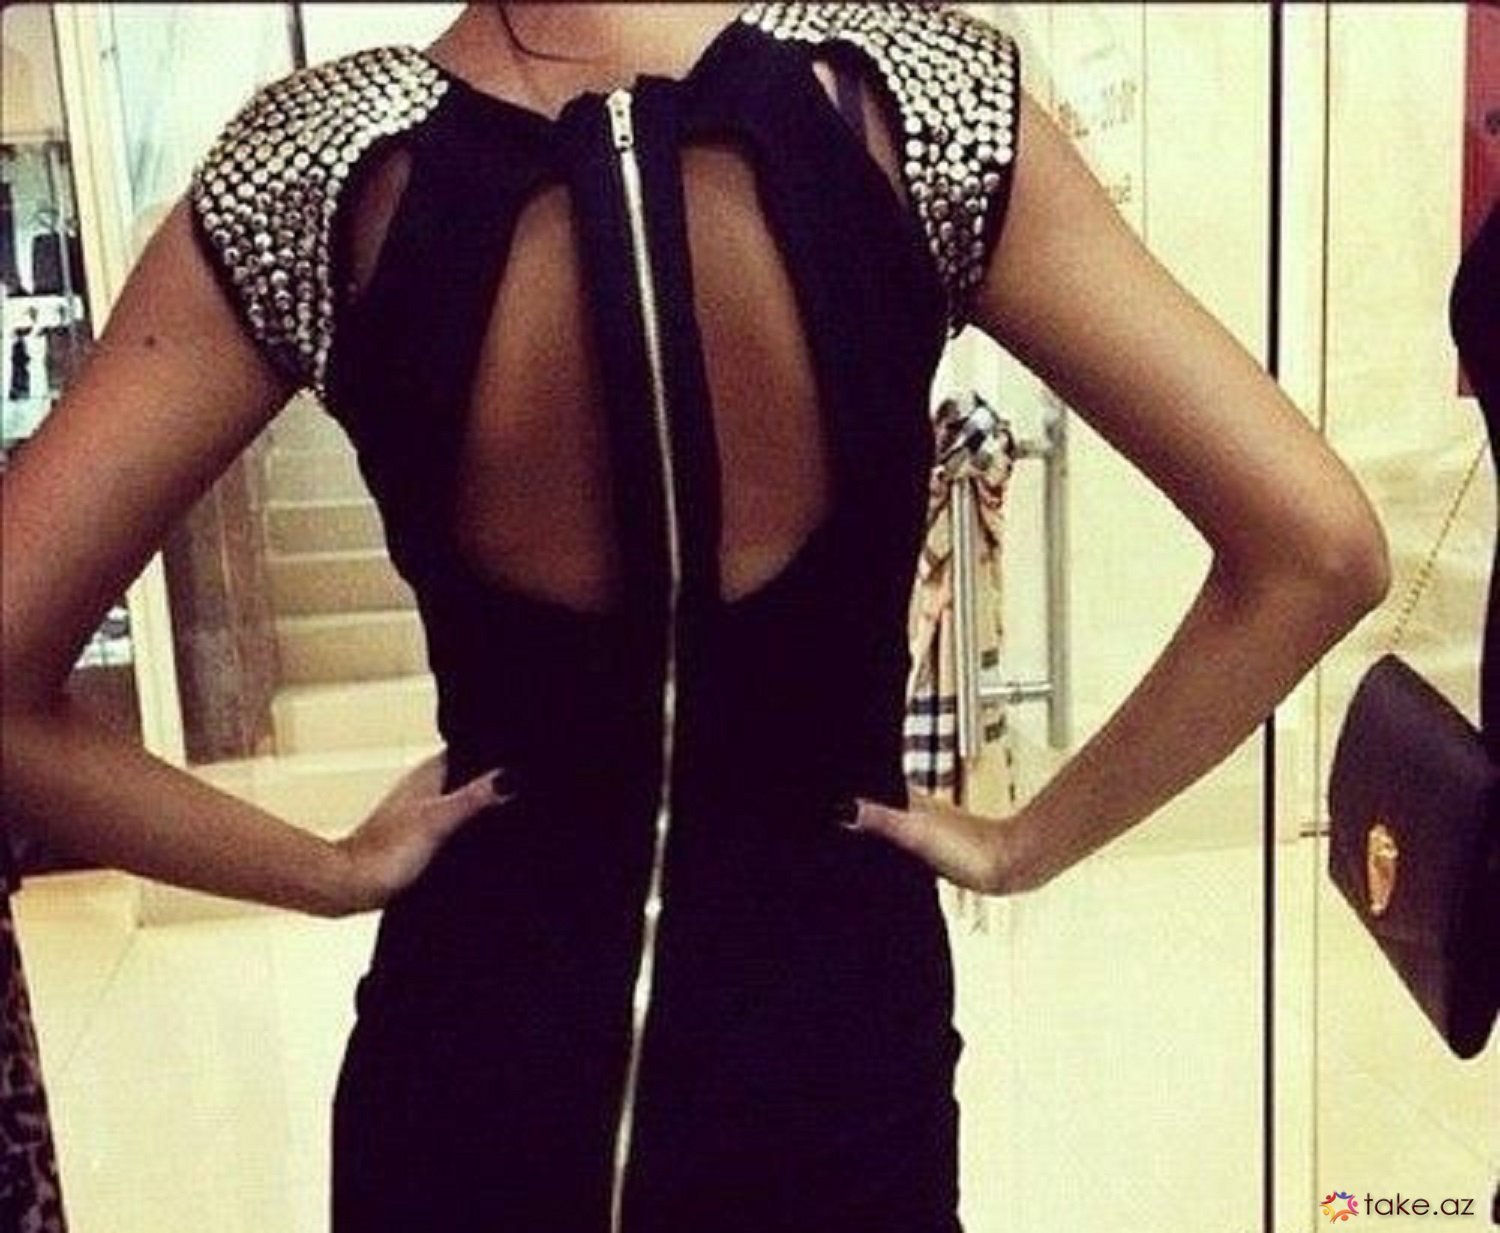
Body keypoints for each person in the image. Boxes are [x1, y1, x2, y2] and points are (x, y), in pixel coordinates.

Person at [0, 3, 1390, 1230]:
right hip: (833, 1056)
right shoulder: (919, 106)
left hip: (473, 1065)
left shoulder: (319, 168)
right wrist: (1027, 842)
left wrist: (328, 871)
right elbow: (1316, 550)